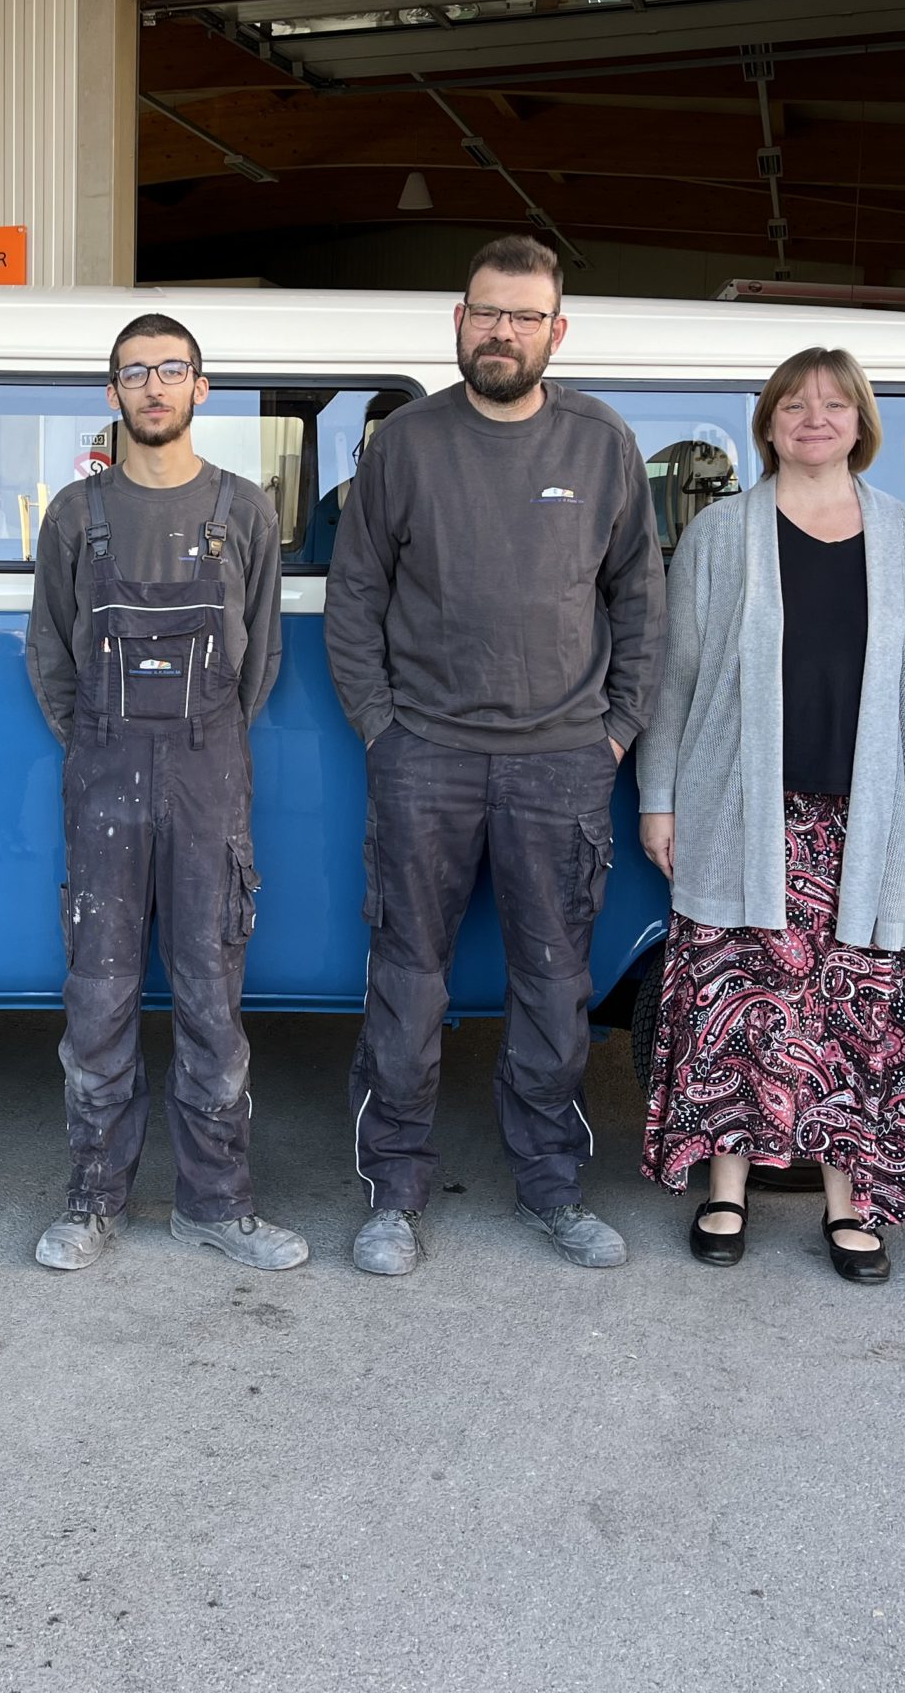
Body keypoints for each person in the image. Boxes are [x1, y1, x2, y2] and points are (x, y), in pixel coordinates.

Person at [326, 235, 664, 1275]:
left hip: (561, 761)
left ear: (556, 332)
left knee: (554, 982)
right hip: (423, 754)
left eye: (523, 316)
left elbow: (640, 600)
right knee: (406, 980)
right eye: (486, 312)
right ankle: (392, 1193)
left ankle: (552, 1186)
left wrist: (613, 729)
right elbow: (355, 598)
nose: (501, 331)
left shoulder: (602, 443)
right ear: (457, 322)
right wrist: (382, 728)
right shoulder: (407, 444)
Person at [635, 350, 905, 1282]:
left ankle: (852, 1205)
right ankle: (725, 1188)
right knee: (739, 1007)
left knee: (859, 1007)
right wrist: (660, 798)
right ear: (768, 424)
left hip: (867, 816)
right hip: (741, 811)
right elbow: (676, 677)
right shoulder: (723, 534)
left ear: (862, 424)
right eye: (796, 405)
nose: (816, 417)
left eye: (835, 404)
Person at [21, 314, 304, 1273]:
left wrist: (194, 741)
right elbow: (49, 654)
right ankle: (92, 1201)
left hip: (206, 779)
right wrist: (102, 740)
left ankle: (216, 1206)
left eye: (170, 371)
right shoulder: (75, 513)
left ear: (201, 389)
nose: (153, 387)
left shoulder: (243, 512)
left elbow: (259, 659)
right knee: (97, 1000)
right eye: (134, 373)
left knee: (212, 1001)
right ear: (112, 393)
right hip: (101, 781)